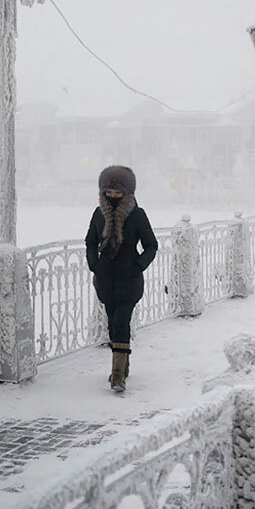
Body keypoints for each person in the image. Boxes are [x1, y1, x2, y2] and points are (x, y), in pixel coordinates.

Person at [85, 166, 158, 392]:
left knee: (121, 322)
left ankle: (117, 374)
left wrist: (137, 266)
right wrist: (94, 265)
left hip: (128, 279)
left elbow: (151, 246)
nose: (113, 196)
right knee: (111, 323)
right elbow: (90, 241)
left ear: (128, 192)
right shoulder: (99, 214)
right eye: (109, 192)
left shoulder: (137, 215)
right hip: (106, 279)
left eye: (118, 193)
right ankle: (123, 363)